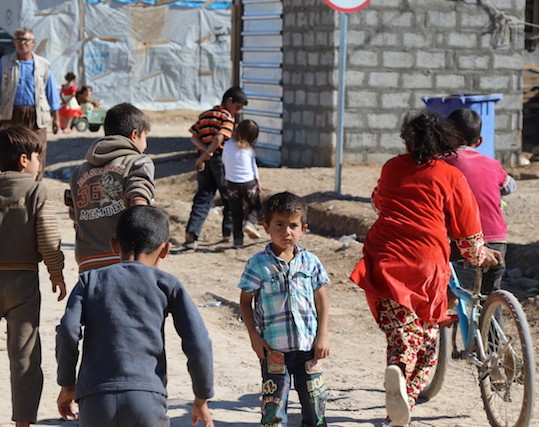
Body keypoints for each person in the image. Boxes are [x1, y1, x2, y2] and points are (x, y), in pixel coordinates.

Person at [349, 111, 502, 427]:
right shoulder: (450, 176)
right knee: (427, 345)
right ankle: (402, 404)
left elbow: (379, 201)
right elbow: (468, 235)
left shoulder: (392, 167)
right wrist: (481, 256)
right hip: (425, 262)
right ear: (444, 143)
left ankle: (398, 371)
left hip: (384, 255)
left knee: (401, 335)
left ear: (407, 141)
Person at [55, 205, 214, 427]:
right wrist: (201, 396)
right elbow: (198, 342)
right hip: (147, 399)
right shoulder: (167, 284)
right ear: (165, 250)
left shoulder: (89, 281)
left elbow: (67, 330)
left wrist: (67, 384)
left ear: (114, 245)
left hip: (95, 399)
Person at [239, 191, 330, 427]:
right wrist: (254, 336)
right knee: (274, 409)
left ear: (303, 228)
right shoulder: (258, 264)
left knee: (315, 407)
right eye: (279, 225)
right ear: (266, 226)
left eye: (293, 225)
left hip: (308, 347)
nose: (286, 231)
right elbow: (245, 301)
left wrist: (323, 335)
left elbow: (321, 298)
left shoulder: (310, 262)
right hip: (273, 349)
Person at [0, 125, 66, 427]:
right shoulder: (36, 190)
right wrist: (56, 272)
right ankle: (23, 422)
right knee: (25, 355)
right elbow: (48, 238)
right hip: (22, 282)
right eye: (38, 157)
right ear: (24, 160)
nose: (40, 163)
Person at [64, 103, 155, 273]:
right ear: (134, 135)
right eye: (145, 137)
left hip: (87, 259)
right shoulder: (137, 162)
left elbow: (75, 218)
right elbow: (139, 205)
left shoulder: (79, 172)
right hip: (123, 257)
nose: (146, 145)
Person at [445, 108, 517, 294]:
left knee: (438, 266)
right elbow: (510, 187)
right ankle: (492, 309)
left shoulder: (442, 164)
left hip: (460, 240)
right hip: (495, 238)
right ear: (479, 141)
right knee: (490, 293)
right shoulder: (491, 164)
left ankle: (443, 300)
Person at [183, 86, 248, 249]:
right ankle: (228, 233)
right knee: (229, 196)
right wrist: (209, 153)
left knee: (203, 196)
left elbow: (194, 137)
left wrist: (204, 153)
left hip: (206, 161)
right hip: (221, 160)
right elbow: (220, 138)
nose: (238, 111)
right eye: (237, 107)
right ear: (229, 101)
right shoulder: (227, 117)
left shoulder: (205, 115)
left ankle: (191, 234)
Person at [0, 27, 62, 181]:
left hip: (36, 114)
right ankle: (10, 183)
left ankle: (35, 185)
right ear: (14, 42)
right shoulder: (5, 62)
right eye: (19, 39)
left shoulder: (43, 64)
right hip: (11, 113)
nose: (23, 43)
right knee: (10, 146)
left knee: (38, 148)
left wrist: (56, 118)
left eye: (26, 40)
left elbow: (51, 92)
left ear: (33, 42)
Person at [222, 119, 263, 248]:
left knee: (236, 213)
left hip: (232, 185)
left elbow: (224, 160)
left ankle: (238, 241)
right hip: (248, 183)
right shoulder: (249, 149)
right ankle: (250, 222)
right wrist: (258, 181)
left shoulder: (228, 144)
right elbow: (253, 166)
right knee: (255, 206)